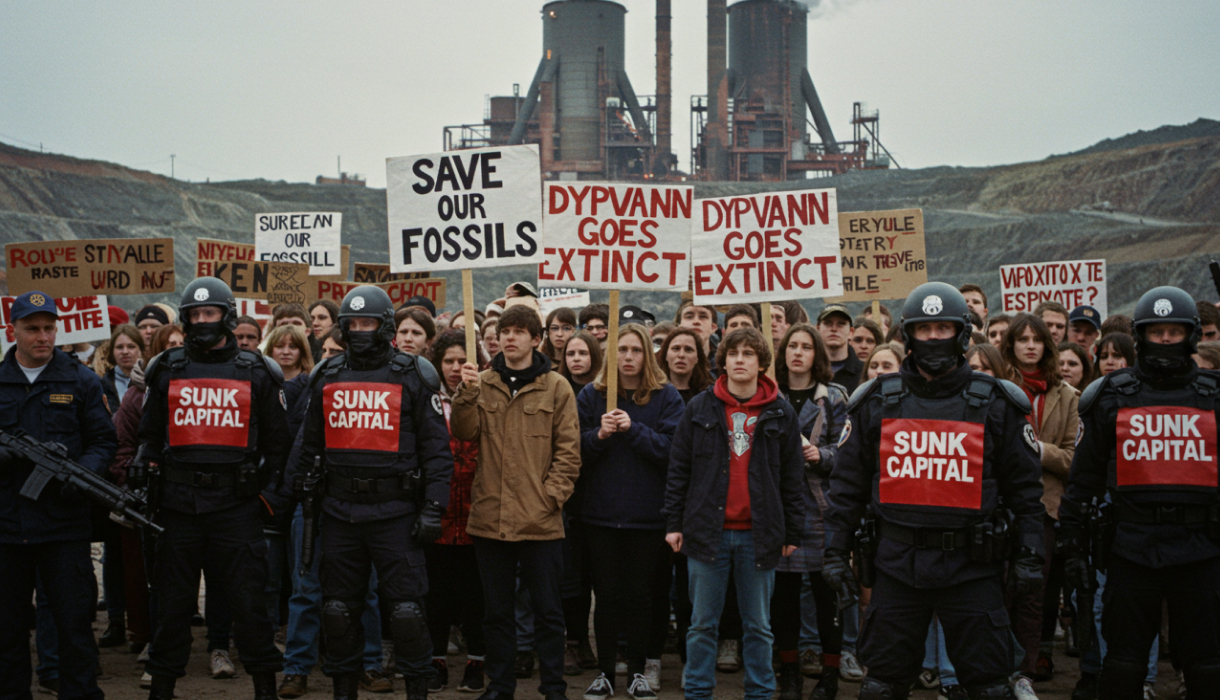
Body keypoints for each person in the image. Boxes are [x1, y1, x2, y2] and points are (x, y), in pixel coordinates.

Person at [823, 282, 1045, 700]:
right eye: (924, 329)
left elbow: (1025, 493)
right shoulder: (876, 401)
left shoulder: (997, 403)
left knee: (990, 687)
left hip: (972, 567)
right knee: (881, 686)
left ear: (962, 333)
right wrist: (834, 551)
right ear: (908, 335)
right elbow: (846, 488)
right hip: (897, 566)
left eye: (943, 328)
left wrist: (1030, 554)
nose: (933, 338)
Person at [290, 285, 454, 700]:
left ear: (384, 327)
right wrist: (287, 497)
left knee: (407, 613)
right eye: (353, 324)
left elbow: (437, 451)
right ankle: (344, 691)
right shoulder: (327, 374)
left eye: (368, 323)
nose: (360, 331)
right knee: (337, 612)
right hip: (340, 512)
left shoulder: (414, 374)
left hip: (396, 514)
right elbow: (308, 446)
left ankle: (416, 691)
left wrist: (434, 507)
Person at [1059, 286, 1220, 700]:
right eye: (1156, 332)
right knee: (1123, 666)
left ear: (1191, 335)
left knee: (1207, 666)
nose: (1165, 340)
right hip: (1131, 548)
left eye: (1174, 332)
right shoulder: (1112, 395)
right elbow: (1084, 479)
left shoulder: (1214, 395)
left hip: (1201, 548)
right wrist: (1072, 546)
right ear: (1140, 335)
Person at [135, 278, 289, 700]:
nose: (202, 321)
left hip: (236, 507)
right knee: (172, 609)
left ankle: (265, 690)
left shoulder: (257, 370)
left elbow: (279, 448)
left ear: (227, 316)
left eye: (210, 313)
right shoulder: (166, 367)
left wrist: (266, 498)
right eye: (195, 314)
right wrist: (144, 469)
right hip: (178, 507)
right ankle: (161, 689)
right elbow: (149, 436)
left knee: (250, 607)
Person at [664, 327, 805, 700]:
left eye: (748, 353)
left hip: (759, 535)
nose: (740, 360)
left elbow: (793, 477)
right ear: (722, 361)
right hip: (706, 532)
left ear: (761, 363)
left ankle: (759, 693)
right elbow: (679, 471)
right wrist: (674, 523)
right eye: (733, 353)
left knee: (758, 626)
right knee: (701, 625)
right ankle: (698, 693)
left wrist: (792, 531)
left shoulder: (781, 411)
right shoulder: (700, 407)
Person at [451, 304, 582, 700]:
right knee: (496, 612)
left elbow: (569, 452)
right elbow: (464, 432)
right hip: (491, 516)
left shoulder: (557, 387)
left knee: (548, 611)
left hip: (540, 520)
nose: (509, 338)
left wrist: (551, 497)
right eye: (504, 331)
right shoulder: (482, 381)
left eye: (518, 331)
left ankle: (553, 687)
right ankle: (500, 686)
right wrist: (465, 394)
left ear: (536, 339)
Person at [0, 290, 117, 700]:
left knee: (75, 626)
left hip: (64, 525)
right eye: (32, 328)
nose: (43, 336)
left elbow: (104, 441)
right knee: (7, 629)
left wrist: (82, 474)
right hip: (7, 526)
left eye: (49, 328)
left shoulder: (81, 380)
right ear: (13, 330)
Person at [577, 324, 685, 700]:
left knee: (641, 597)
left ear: (647, 355)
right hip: (601, 515)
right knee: (606, 597)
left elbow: (674, 451)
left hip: (647, 516)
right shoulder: (592, 395)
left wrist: (633, 430)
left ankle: (638, 673)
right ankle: (606, 673)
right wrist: (598, 435)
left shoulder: (666, 396)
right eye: (621, 349)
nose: (628, 357)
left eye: (636, 350)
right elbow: (573, 449)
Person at [1001, 313, 1080, 693]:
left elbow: (1073, 459)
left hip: (1045, 508)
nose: (1030, 346)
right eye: (1023, 339)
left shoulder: (1067, 396)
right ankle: (993, 670)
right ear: (1011, 345)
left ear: (1047, 346)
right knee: (998, 591)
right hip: (1000, 504)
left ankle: (1024, 674)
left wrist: (1036, 448)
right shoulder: (997, 389)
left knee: (1033, 594)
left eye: (1036, 339)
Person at [771, 322, 849, 700]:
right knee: (783, 597)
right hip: (780, 506)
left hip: (821, 507)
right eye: (792, 346)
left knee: (826, 593)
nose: (798, 352)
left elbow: (847, 451)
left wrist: (822, 455)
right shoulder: (770, 394)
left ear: (816, 354)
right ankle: (789, 673)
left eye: (805, 346)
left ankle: (830, 674)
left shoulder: (833, 398)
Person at [424, 330, 489, 694]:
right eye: (447, 361)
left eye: (462, 361)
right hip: (438, 508)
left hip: (478, 508)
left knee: (475, 594)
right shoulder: (427, 398)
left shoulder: (487, 396)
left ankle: (476, 661)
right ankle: (435, 660)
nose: (454, 368)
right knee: (437, 593)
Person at [657, 327, 713, 403]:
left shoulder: (708, 397)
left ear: (697, 358)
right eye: (675, 348)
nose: (681, 355)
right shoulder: (652, 394)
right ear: (666, 355)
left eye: (688, 349)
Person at [102, 323, 147, 416]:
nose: (125, 352)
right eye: (119, 347)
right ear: (112, 351)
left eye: (131, 346)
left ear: (140, 350)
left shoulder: (151, 378)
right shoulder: (104, 383)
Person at [816, 305, 862, 394]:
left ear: (851, 332)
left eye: (841, 324)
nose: (834, 329)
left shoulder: (864, 372)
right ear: (818, 329)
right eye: (828, 324)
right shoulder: (808, 370)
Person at [560, 330, 603, 397]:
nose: (576, 359)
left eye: (583, 353)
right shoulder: (557, 389)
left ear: (593, 356)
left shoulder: (605, 390)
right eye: (570, 354)